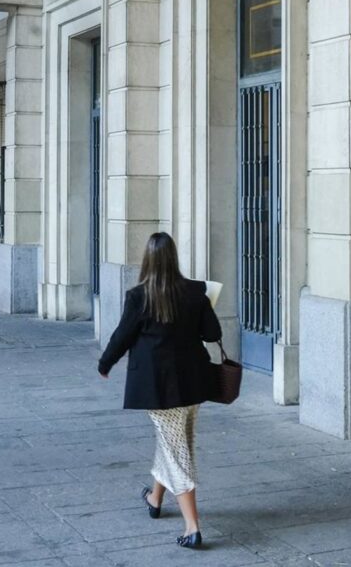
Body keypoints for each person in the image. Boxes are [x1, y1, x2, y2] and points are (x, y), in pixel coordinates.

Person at [98, 232, 221, 550]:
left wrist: (105, 364)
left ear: (148, 261)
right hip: (192, 384)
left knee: (177, 451)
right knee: (173, 442)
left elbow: (121, 336)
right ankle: (155, 498)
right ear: (174, 258)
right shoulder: (196, 291)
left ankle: (192, 526)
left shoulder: (139, 296)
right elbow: (212, 333)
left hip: (157, 388)